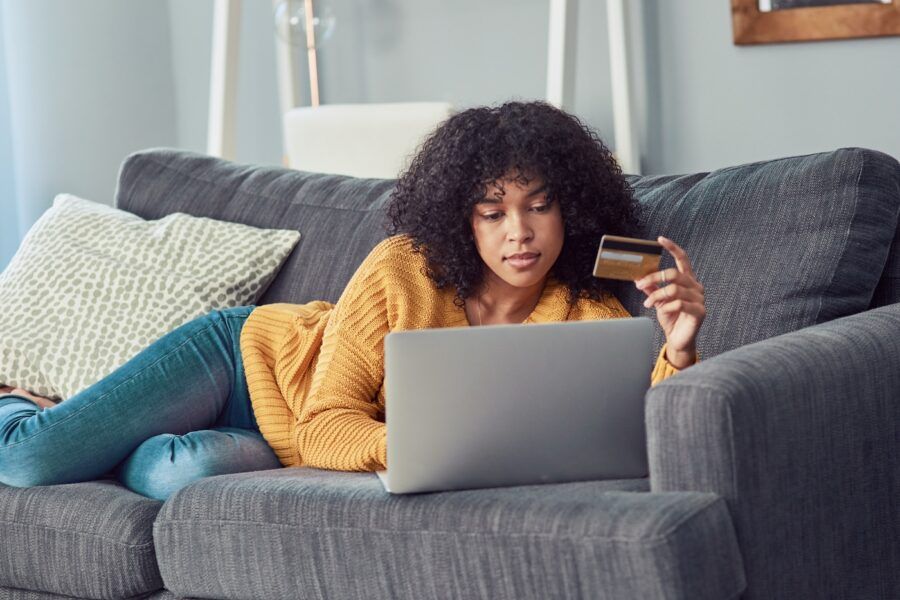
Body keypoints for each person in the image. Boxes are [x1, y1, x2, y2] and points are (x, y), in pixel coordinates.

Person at [0, 100, 704, 500]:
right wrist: (420, 449)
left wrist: (677, 346)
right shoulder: (404, 270)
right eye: (493, 212)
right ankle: (19, 403)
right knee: (30, 460)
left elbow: (633, 437)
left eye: (539, 207)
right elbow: (324, 422)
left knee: (188, 472)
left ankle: (114, 435)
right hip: (243, 360)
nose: (519, 232)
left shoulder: (585, 313)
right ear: (462, 218)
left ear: (570, 211)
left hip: (279, 439)